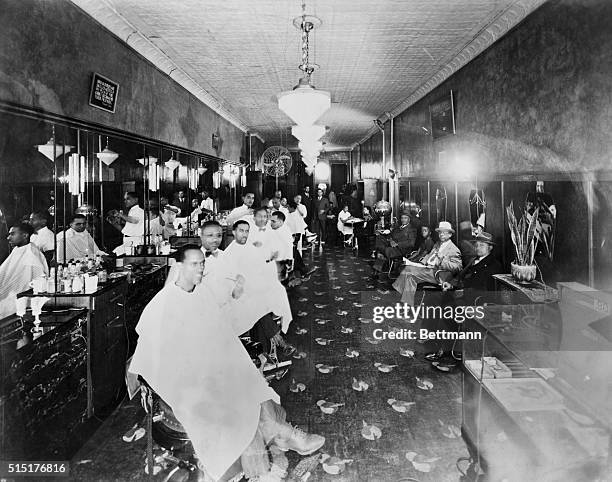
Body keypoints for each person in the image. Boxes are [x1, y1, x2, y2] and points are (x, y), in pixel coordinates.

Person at [129, 245, 325, 482]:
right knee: (233, 394)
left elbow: (217, 332)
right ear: (178, 266)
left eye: (202, 263)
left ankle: (281, 432)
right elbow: (156, 352)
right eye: (194, 264)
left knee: (247, 378)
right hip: (177, 376)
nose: (201, 268)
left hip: (203, 365)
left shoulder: (200, 293)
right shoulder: (163, 302)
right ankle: (280, 437)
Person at [425, 232, 503, 369]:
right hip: (462, 295)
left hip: (476, 301)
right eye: (477, 245)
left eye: (482, 245)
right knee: (433, 300)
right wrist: (451, 285)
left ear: (490, 247)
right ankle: (437, 344)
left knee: (447, 310)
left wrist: (463, 292)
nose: (478, 248)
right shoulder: (474, 260)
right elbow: (461, 277)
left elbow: (488, 291)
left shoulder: (494, 265)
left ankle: (448, 352)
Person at [225, 220, 293, 334]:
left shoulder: (249, 247)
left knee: (278, 289)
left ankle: (276, 320)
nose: (244, 234)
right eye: (241, 231)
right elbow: (232, 277)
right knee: (258, 300)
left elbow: (259, 265)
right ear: (233, 232)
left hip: (255, 281)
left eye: (247, 231)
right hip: (242, 288)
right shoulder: (229, 252)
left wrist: (268, 261)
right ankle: (273, 334)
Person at [392, 221, 462, 305]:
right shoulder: (437, 244)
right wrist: (421, 263)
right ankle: (407, 304)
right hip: (429, 270)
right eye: (440, 232)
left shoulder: (454, 249)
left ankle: (398, 296)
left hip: (439, 274)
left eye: (444, 232)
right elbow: (429, 255)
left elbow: (458, 267)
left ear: (450, 234)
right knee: (410, 276)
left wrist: (441, 260)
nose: (441, 235)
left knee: (409, 270)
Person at [0, 223, 48, 319]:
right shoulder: (19, 249)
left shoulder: (31, 255)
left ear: (25, 235)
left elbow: (34, 281)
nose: (8, 238)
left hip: (20, 300)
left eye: (12, 234)